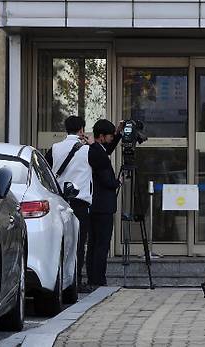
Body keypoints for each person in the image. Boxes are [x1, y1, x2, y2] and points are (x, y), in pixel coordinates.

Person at [47, 115, 92, 287]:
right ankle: (76, 280)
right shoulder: (87, 150)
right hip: (80, 202)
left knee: (61, 242)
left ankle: (60, 279)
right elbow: (103, 163)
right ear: (81, 130)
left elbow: (48, 171)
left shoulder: (55, 148)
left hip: (59, 201)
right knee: (79, 243)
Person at [86, 119, 122, 287]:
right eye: (109, 135)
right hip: (103, 206)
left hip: (94, 205)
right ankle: (98, 279)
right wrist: (117, 182)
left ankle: (93, 277)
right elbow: (107, 180)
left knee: (93, 243)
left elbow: (108, 148)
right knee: (101, 244)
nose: (111, 138)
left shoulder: (96, 149)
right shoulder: (97, 153)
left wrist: (119, 133)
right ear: (101, 136)